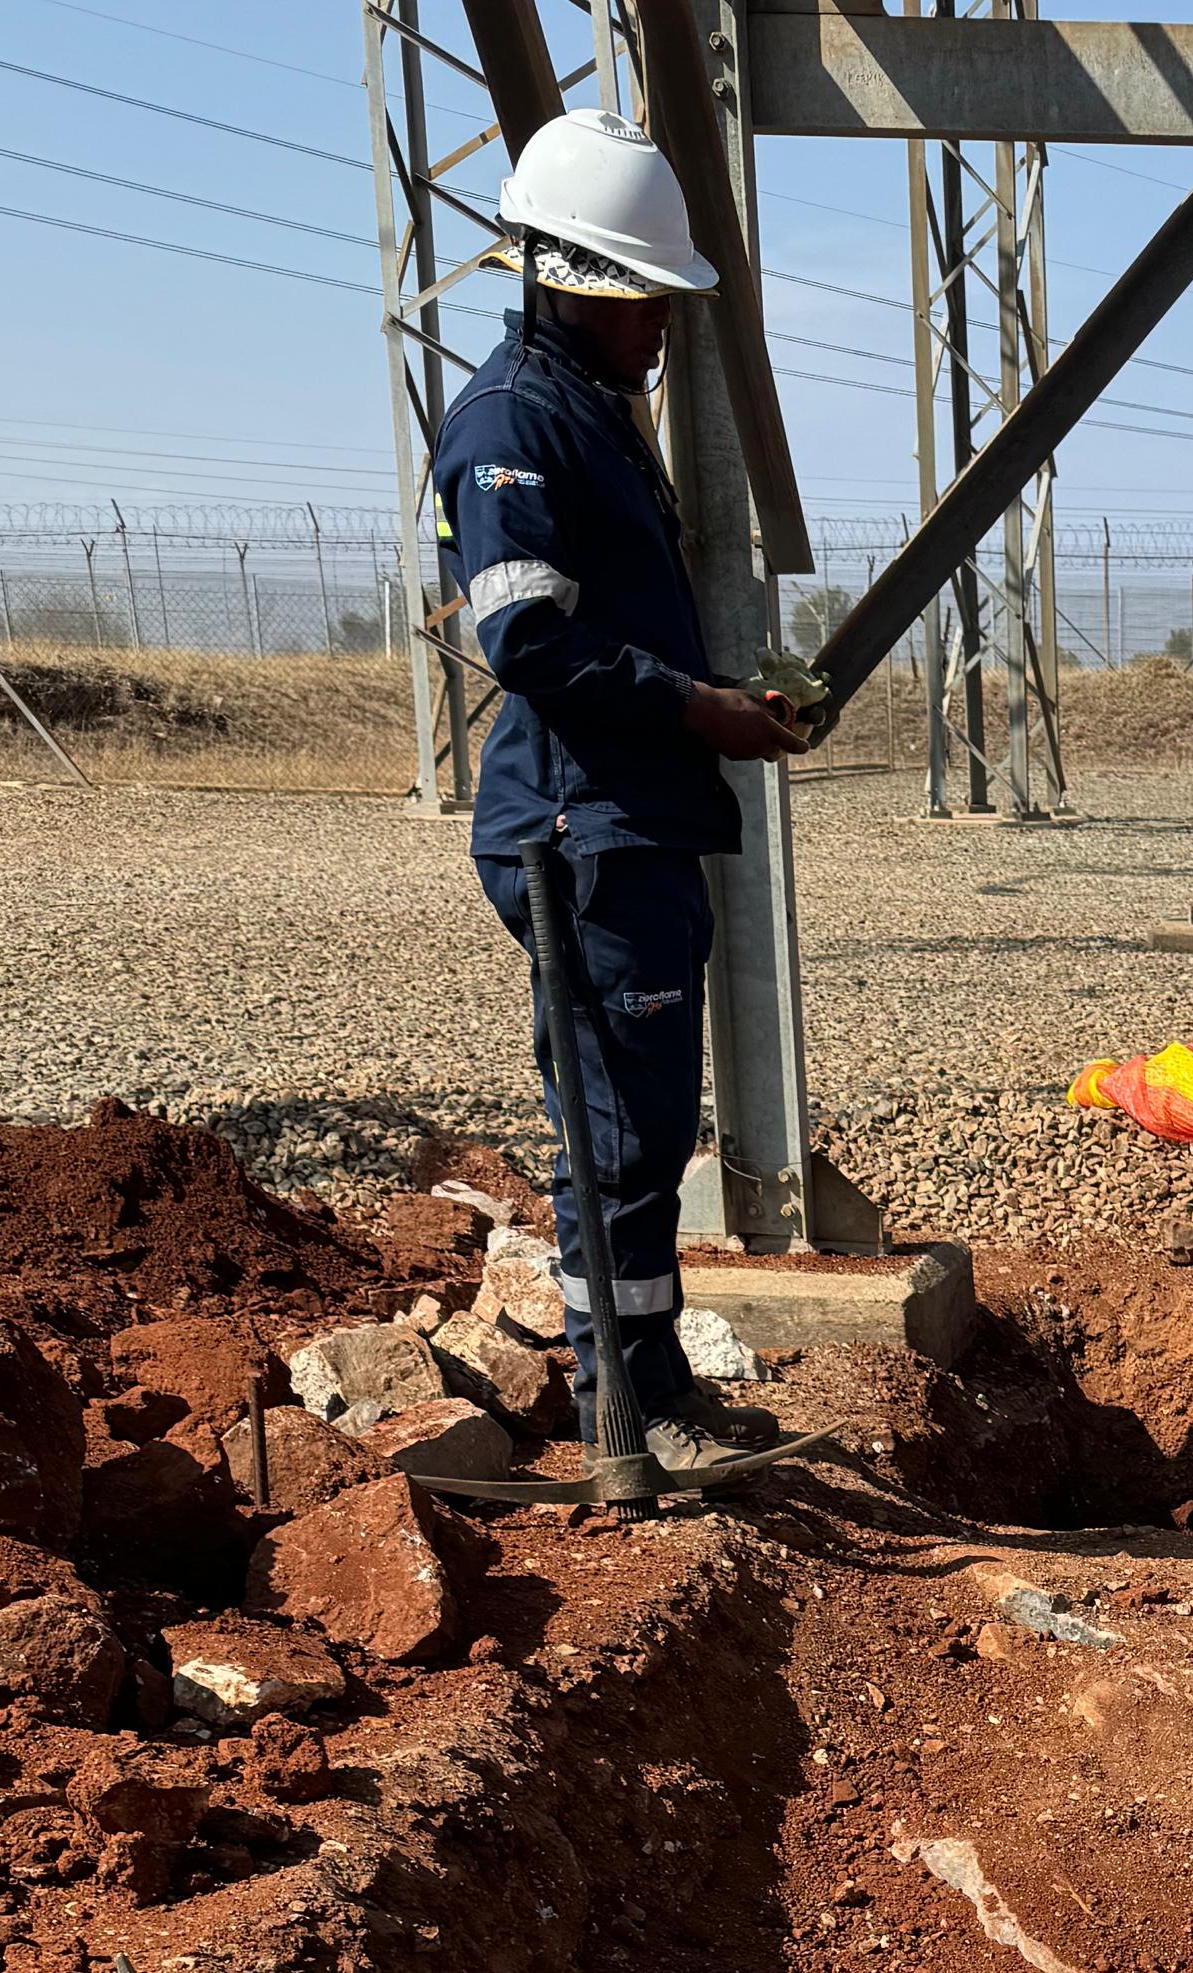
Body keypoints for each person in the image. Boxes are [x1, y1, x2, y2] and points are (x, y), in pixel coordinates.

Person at [431, 110, 804, 1483]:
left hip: (630, 820)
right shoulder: (516, 421)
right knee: (611, 1134)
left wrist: (717, 704)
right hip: (578, 829)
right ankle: (618, 1425)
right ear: (579, 280)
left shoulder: (587, 410)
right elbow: (525, 640)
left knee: (646, 1127)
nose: (664, 326)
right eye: (649, 297)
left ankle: (650, 1383)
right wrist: (696, 708)